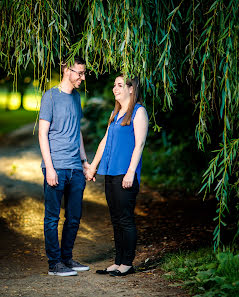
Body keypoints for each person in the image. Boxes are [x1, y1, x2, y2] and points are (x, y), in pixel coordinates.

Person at [87, 75, 148, 276]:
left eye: (120, 85)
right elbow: (104, 142)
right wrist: (93, 166)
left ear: (132, 89)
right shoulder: (115, 113)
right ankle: (118, 261)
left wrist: (131, 172)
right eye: (114, 85)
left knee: (125, 219)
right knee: (115, 219)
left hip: (125, 173)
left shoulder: (139, 112)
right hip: (111, 172)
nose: (115, 88)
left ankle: (127, 264)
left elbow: (139, 144)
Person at [38, 56, 90, 276]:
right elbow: (42, 133)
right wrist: (49, 168)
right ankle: (54, 264)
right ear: (67, 70)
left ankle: (66, 259)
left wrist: (85, 161)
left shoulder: (76, 97)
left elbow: (76, 131)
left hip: (75, 168)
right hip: (56, 166)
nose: (82, 77)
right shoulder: (50, 96)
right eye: (79, 73)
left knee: (74, 216)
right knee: (52, 217)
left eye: (84, 73)